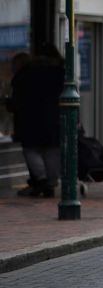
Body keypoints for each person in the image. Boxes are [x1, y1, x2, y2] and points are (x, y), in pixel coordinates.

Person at [12, 48, 62, 197]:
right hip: (53, 119)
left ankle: (41, 179)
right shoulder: (59, 73)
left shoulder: (24, 76)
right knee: (51, 150)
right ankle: (50, 183)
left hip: (30, 119)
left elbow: (17, 100)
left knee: (31, 149)